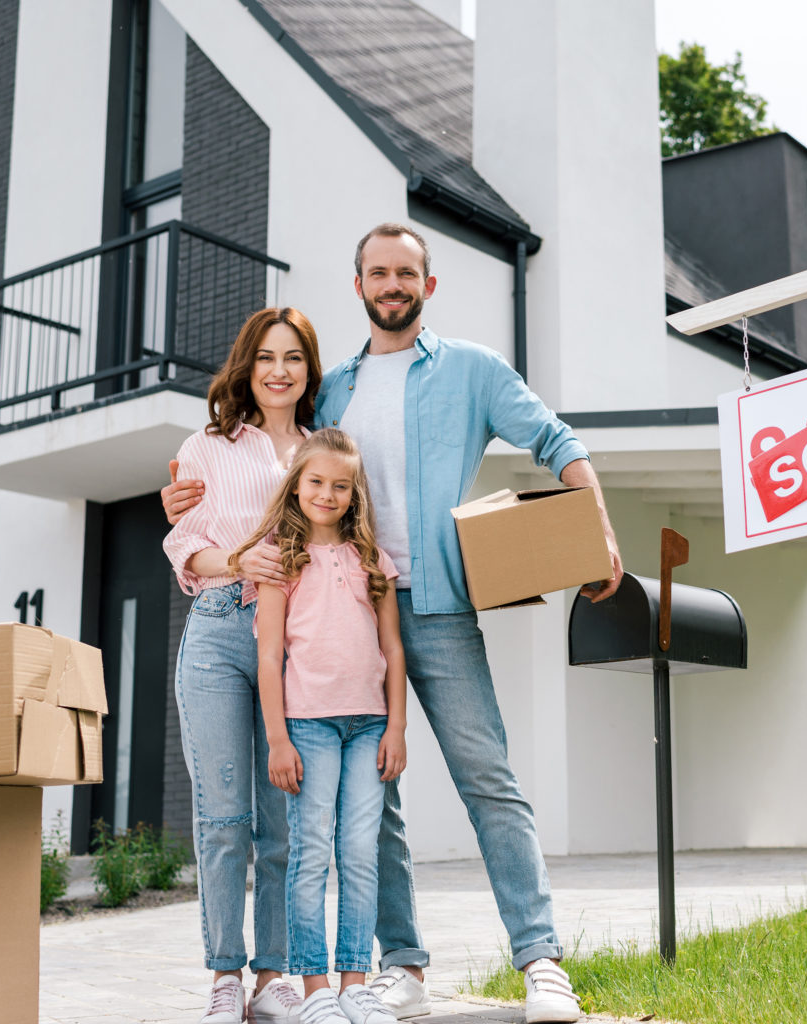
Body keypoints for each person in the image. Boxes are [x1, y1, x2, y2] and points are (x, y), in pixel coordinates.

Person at [164, 224, 623, 1024]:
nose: (392, 284)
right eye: (378, 273)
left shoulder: (473, 369)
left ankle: (542, 961)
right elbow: (275, 483)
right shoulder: (331, 392)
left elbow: (555, 438)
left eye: (406, 272)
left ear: (428, 285)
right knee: (372, 801)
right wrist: (185, 508)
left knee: (489, 779)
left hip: (437, 605)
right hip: (338, 608)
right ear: (359, 286)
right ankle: (400, 964)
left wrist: (599, 528)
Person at [163, 307, 322, 1024]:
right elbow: (182, 546)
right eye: (266, 357)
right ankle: (225, 977)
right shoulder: (206, 446)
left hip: (296, 639)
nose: (279, 370)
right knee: (224, 818)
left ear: (309, 370)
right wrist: (237, 558)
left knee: (283, 823)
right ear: (246, 366)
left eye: (293, 357)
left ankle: (275, 978)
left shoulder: (326, 453)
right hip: (220, 631)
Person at [236, 428, 408, 1024]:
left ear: (354, 491)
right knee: (312, 854)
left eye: (341, 485)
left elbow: (393, 647)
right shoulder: (280, 558)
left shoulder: (372, 559)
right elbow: (268, 656)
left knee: (360, 852)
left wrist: (398, 727)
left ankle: (355, 982)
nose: (328, 494)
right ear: (296, 484)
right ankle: (314, 991)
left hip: (369, 727)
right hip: (307, 725)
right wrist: (277, 738)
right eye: (316, 482)